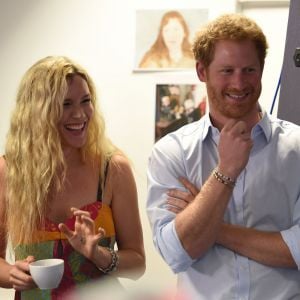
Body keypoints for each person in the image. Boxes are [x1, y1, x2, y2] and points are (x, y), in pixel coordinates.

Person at [146, 13, 300, 299]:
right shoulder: (171, 153)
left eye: (249, 70)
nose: (239, 84)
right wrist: (226, 171)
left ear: (262, 69)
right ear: (202, 72)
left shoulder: (297, 148)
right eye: (227, 71)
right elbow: (176, 253)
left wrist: (211, 225)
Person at [0, 56, 145, 299]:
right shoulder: (9, 171)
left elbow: (137, 264)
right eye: (65, 104)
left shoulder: (112, 169)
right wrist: (12, 274)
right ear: (37, 111)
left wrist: (99, 254)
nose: (80, 114)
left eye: (85, 101)